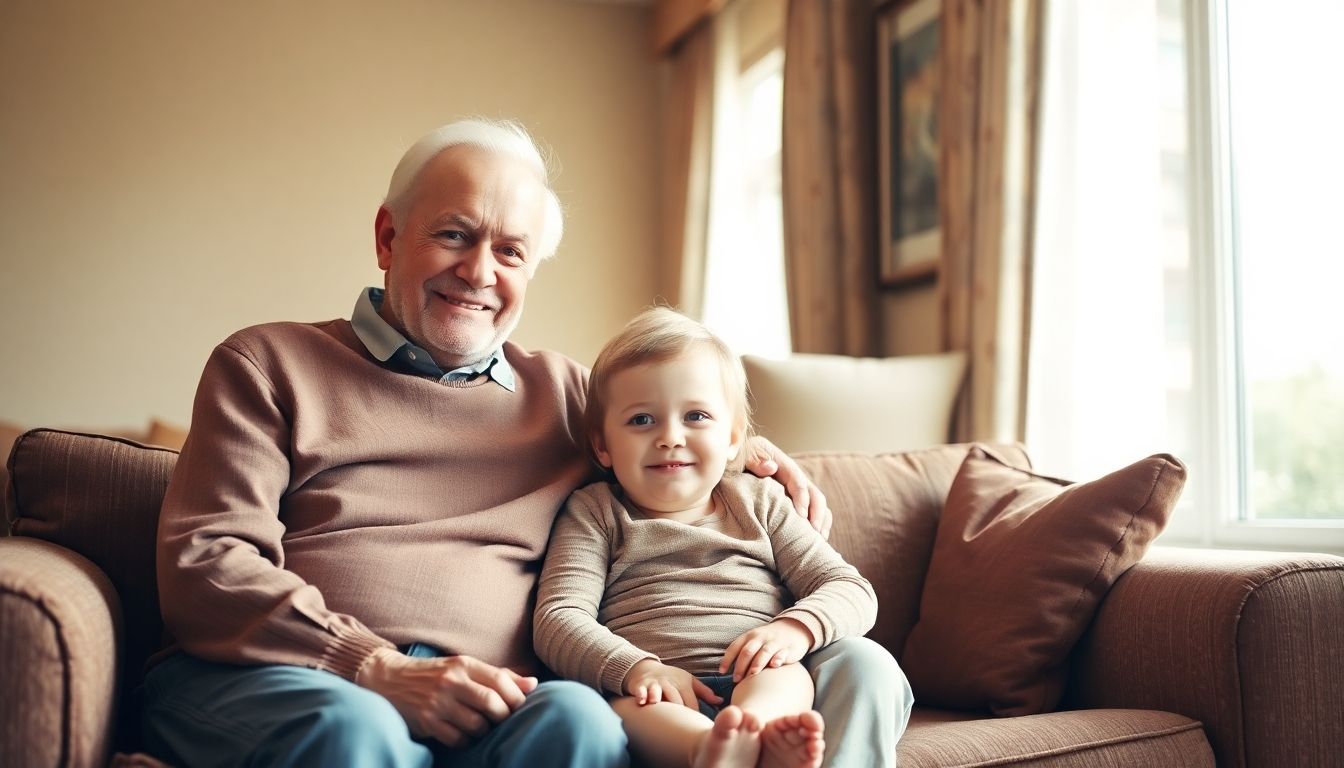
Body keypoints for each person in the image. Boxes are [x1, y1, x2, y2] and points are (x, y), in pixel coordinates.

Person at [141, 117, 910, 767]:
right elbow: (207, 562)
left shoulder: (565, 395)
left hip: (491, 697)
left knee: (579, 720)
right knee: (356, 727)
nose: (478, 271)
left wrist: (757, 457)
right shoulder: (269, 364)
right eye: (453, 235)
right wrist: (369, 665)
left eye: (510, 251)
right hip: (293, 678)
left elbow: (667, 432)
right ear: (387, 236)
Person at [534, 308, 879, 768]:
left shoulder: (759, 501)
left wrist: (794, 629)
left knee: (787, 677)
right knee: (629, 714)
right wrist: (638, 668)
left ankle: (754, 733)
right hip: (655, 688)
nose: (670, 437)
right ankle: (710, 752)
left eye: (696, 415)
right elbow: (559, 618)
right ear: (602, 445)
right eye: (641, 421)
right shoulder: (595, 512)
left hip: (754, 675)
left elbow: (850, 588)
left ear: (735, 438)